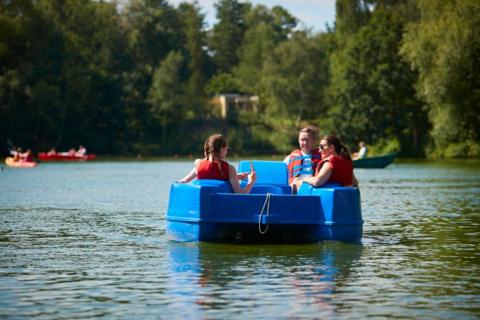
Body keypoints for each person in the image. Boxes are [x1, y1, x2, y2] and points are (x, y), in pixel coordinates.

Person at [179, 134, 256, 194]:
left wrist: (234, 177)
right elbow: (240, 194)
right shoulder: (229, 169)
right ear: (221, 149)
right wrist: (251, 181)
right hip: (221, 207)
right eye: (227, 149)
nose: (227, 152)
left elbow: (184, 181)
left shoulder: (199, 164)